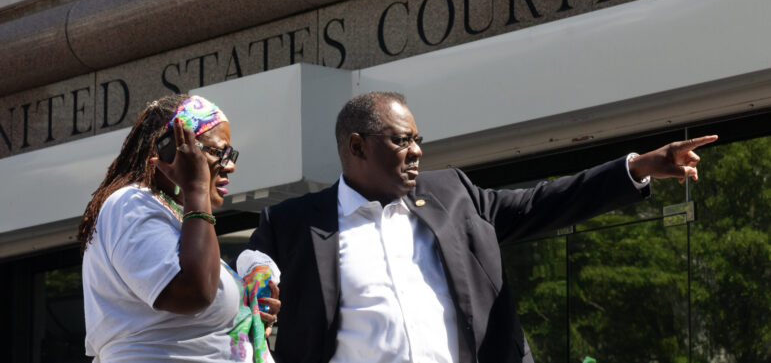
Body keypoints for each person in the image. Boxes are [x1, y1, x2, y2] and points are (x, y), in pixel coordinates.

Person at [247, 91, 717, 363]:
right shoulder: (291, 225)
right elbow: (241, 314)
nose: (417, 152)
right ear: (357, 146)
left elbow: (543, 202)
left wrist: (637, 167)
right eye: (402, 140)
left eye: (418, 140)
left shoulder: (453, 195)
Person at [78, 94, 279, 362]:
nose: (230, 165)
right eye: (219, 152)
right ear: (171, 151)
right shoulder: (129, 204)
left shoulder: (178, 219)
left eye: (231, 154)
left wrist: (247, 312)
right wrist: (196, 190)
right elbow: (193, 294)